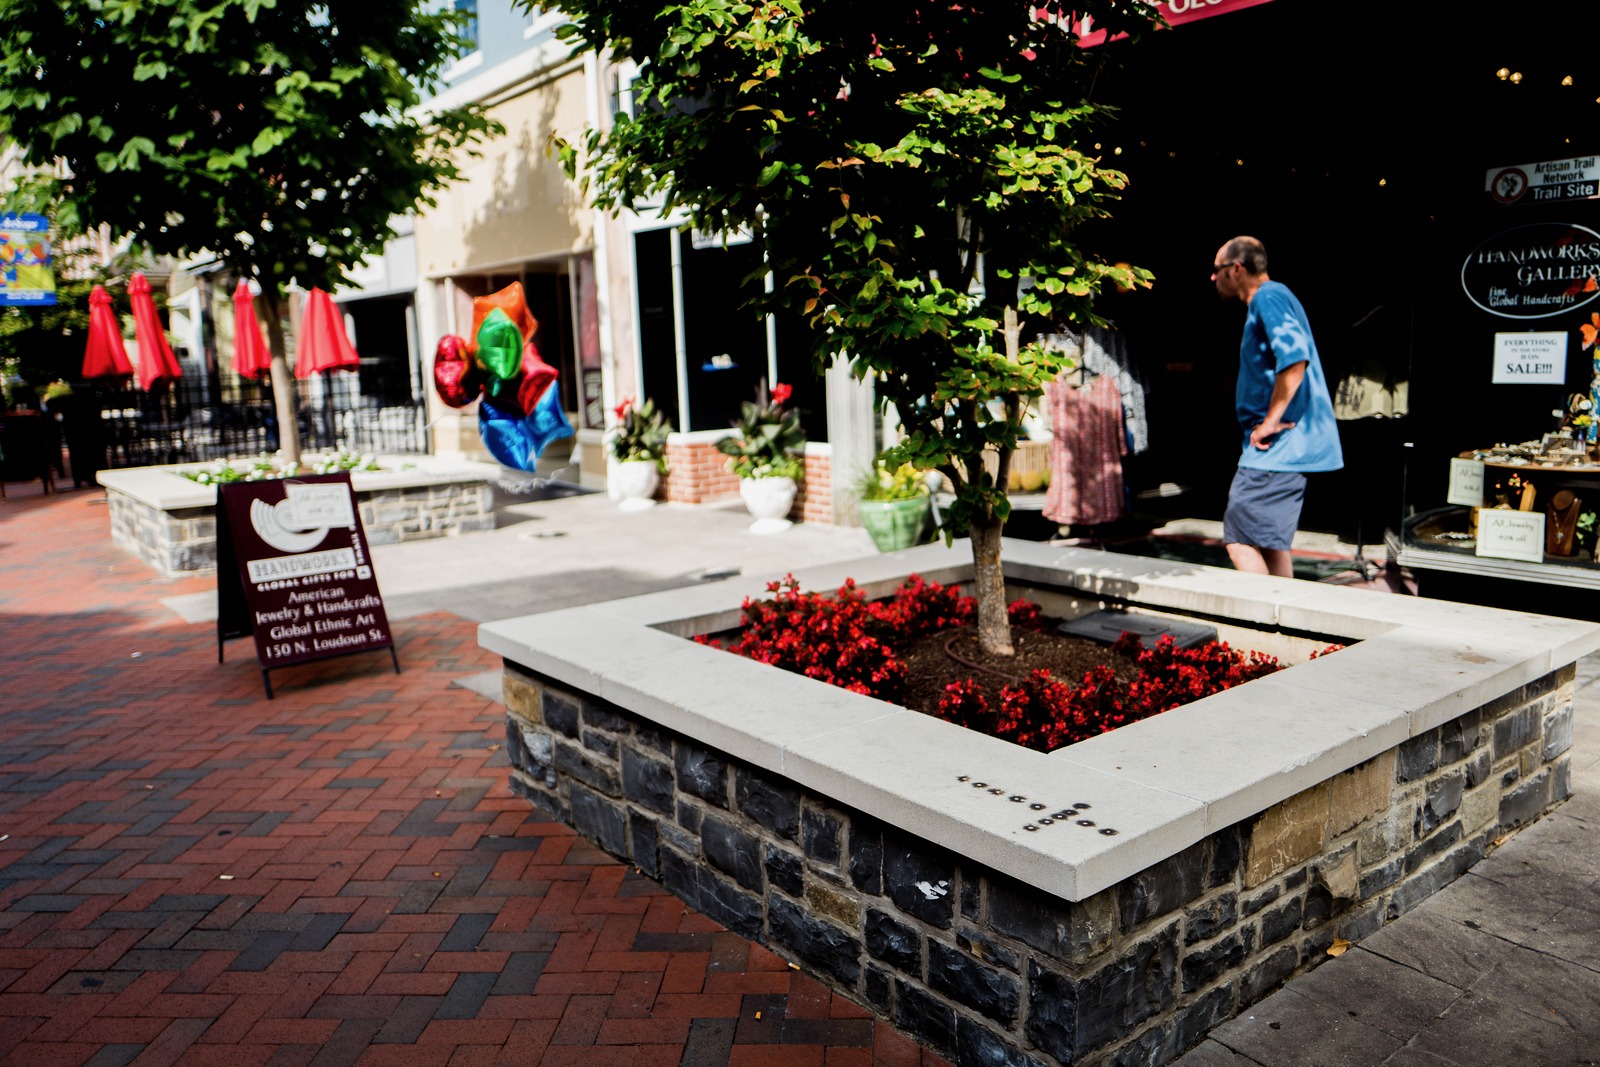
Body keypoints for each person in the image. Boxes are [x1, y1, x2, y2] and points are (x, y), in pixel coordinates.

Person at [1212, 236, 1343, 577]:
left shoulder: (1268, 298)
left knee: (1239, 539)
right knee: (1272, 544)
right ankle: (1284, 626)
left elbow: (1294, 358)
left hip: (1276, 448)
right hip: (1286, 448)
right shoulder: (1276, 297)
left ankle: (1256, 626)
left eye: (1217, 270)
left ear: (1237, 269)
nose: (1213, 278)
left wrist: (1270, 421)